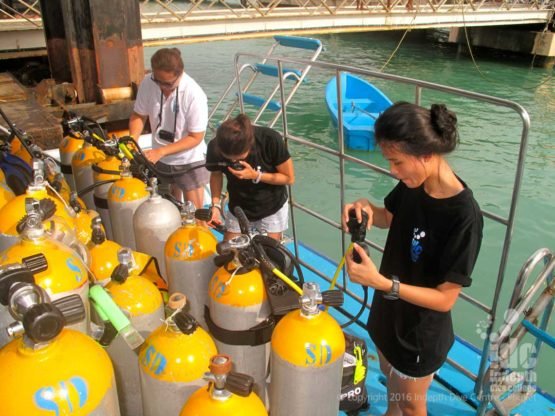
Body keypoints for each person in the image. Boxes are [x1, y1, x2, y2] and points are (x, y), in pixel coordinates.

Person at [343, 102, 483, 416]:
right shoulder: (413, 182)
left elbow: (445, 299)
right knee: (392, 387)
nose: (392, 171)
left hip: (417, 334)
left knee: (409, 405)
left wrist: (381, 282)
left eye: (397, 162)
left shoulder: (464, 216)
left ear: (426, 155)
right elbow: (388, 216)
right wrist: (365, 209)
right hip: (387, 314)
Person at [129, 48, 209, 209]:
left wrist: (161, 152)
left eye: (170, 84)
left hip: (188, 161)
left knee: (194, 213)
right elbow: (139, 115)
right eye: (159, 81)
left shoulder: (194, 94)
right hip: (160, 158)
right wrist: (133, 138)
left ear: (181, 73)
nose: (164, 87)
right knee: (167, 207)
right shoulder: (148, 82)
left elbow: (196, 137)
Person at [206, 114, 294, 241]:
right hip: (238, 205)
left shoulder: (270, 140)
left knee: (269, 253)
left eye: (239, 157)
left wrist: (255, 175)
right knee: (230, 251)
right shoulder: (215, 147)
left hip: (272, 205)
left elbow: (289, 178)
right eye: (229, 158)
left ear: (250, 145)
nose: (234, 160)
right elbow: (216, 174)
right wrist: (215, 205)